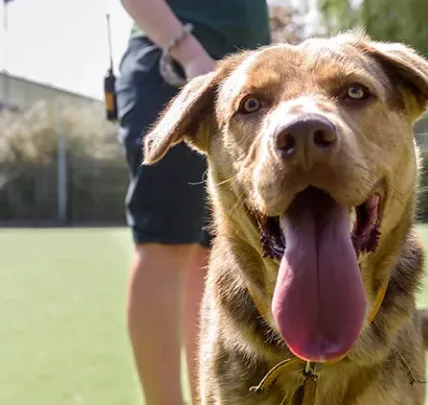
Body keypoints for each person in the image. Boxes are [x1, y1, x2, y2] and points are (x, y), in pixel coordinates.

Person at [116, 1, 272, 404]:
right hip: (173, 72)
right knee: (164, 245)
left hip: (243, 88)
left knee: (210, 251)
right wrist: (189, 52)